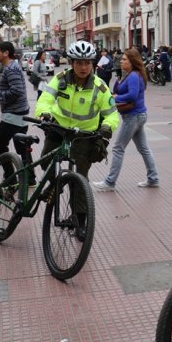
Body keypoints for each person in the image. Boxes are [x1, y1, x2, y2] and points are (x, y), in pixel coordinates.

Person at [35, 41, 120, 238]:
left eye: (87, 63)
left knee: (80, 180)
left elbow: (112, 114)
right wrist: (45, 114)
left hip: (84, 136)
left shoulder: (100, 87)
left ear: (92, 64)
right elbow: (45, 99)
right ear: (72, 63)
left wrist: (107, 127)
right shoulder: (60, 79)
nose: (83, 67)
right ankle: (53, 188)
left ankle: (80, 221)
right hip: (58, 129)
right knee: (46, 161)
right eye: (79, 63)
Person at [93, 48, 160, 191]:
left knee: (118, 148)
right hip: (138, 115)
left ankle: (110, 182)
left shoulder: (134, 76)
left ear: (132, 62)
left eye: (124, 59)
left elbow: (132, 95)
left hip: (133, 116)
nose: (121, 61)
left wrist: (116, 98)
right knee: (144, 148)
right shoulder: (131, 75)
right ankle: (153, 178)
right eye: (122, 59)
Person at [0, 41, 33, 181]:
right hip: (20, 113)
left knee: (0, 145)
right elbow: (15, 88)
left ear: (6, 53)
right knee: (22, 147)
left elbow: (17, 91)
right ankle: (30, 179)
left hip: (13, 115)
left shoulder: (10, 68)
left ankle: (10, 177)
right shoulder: (12, 66)